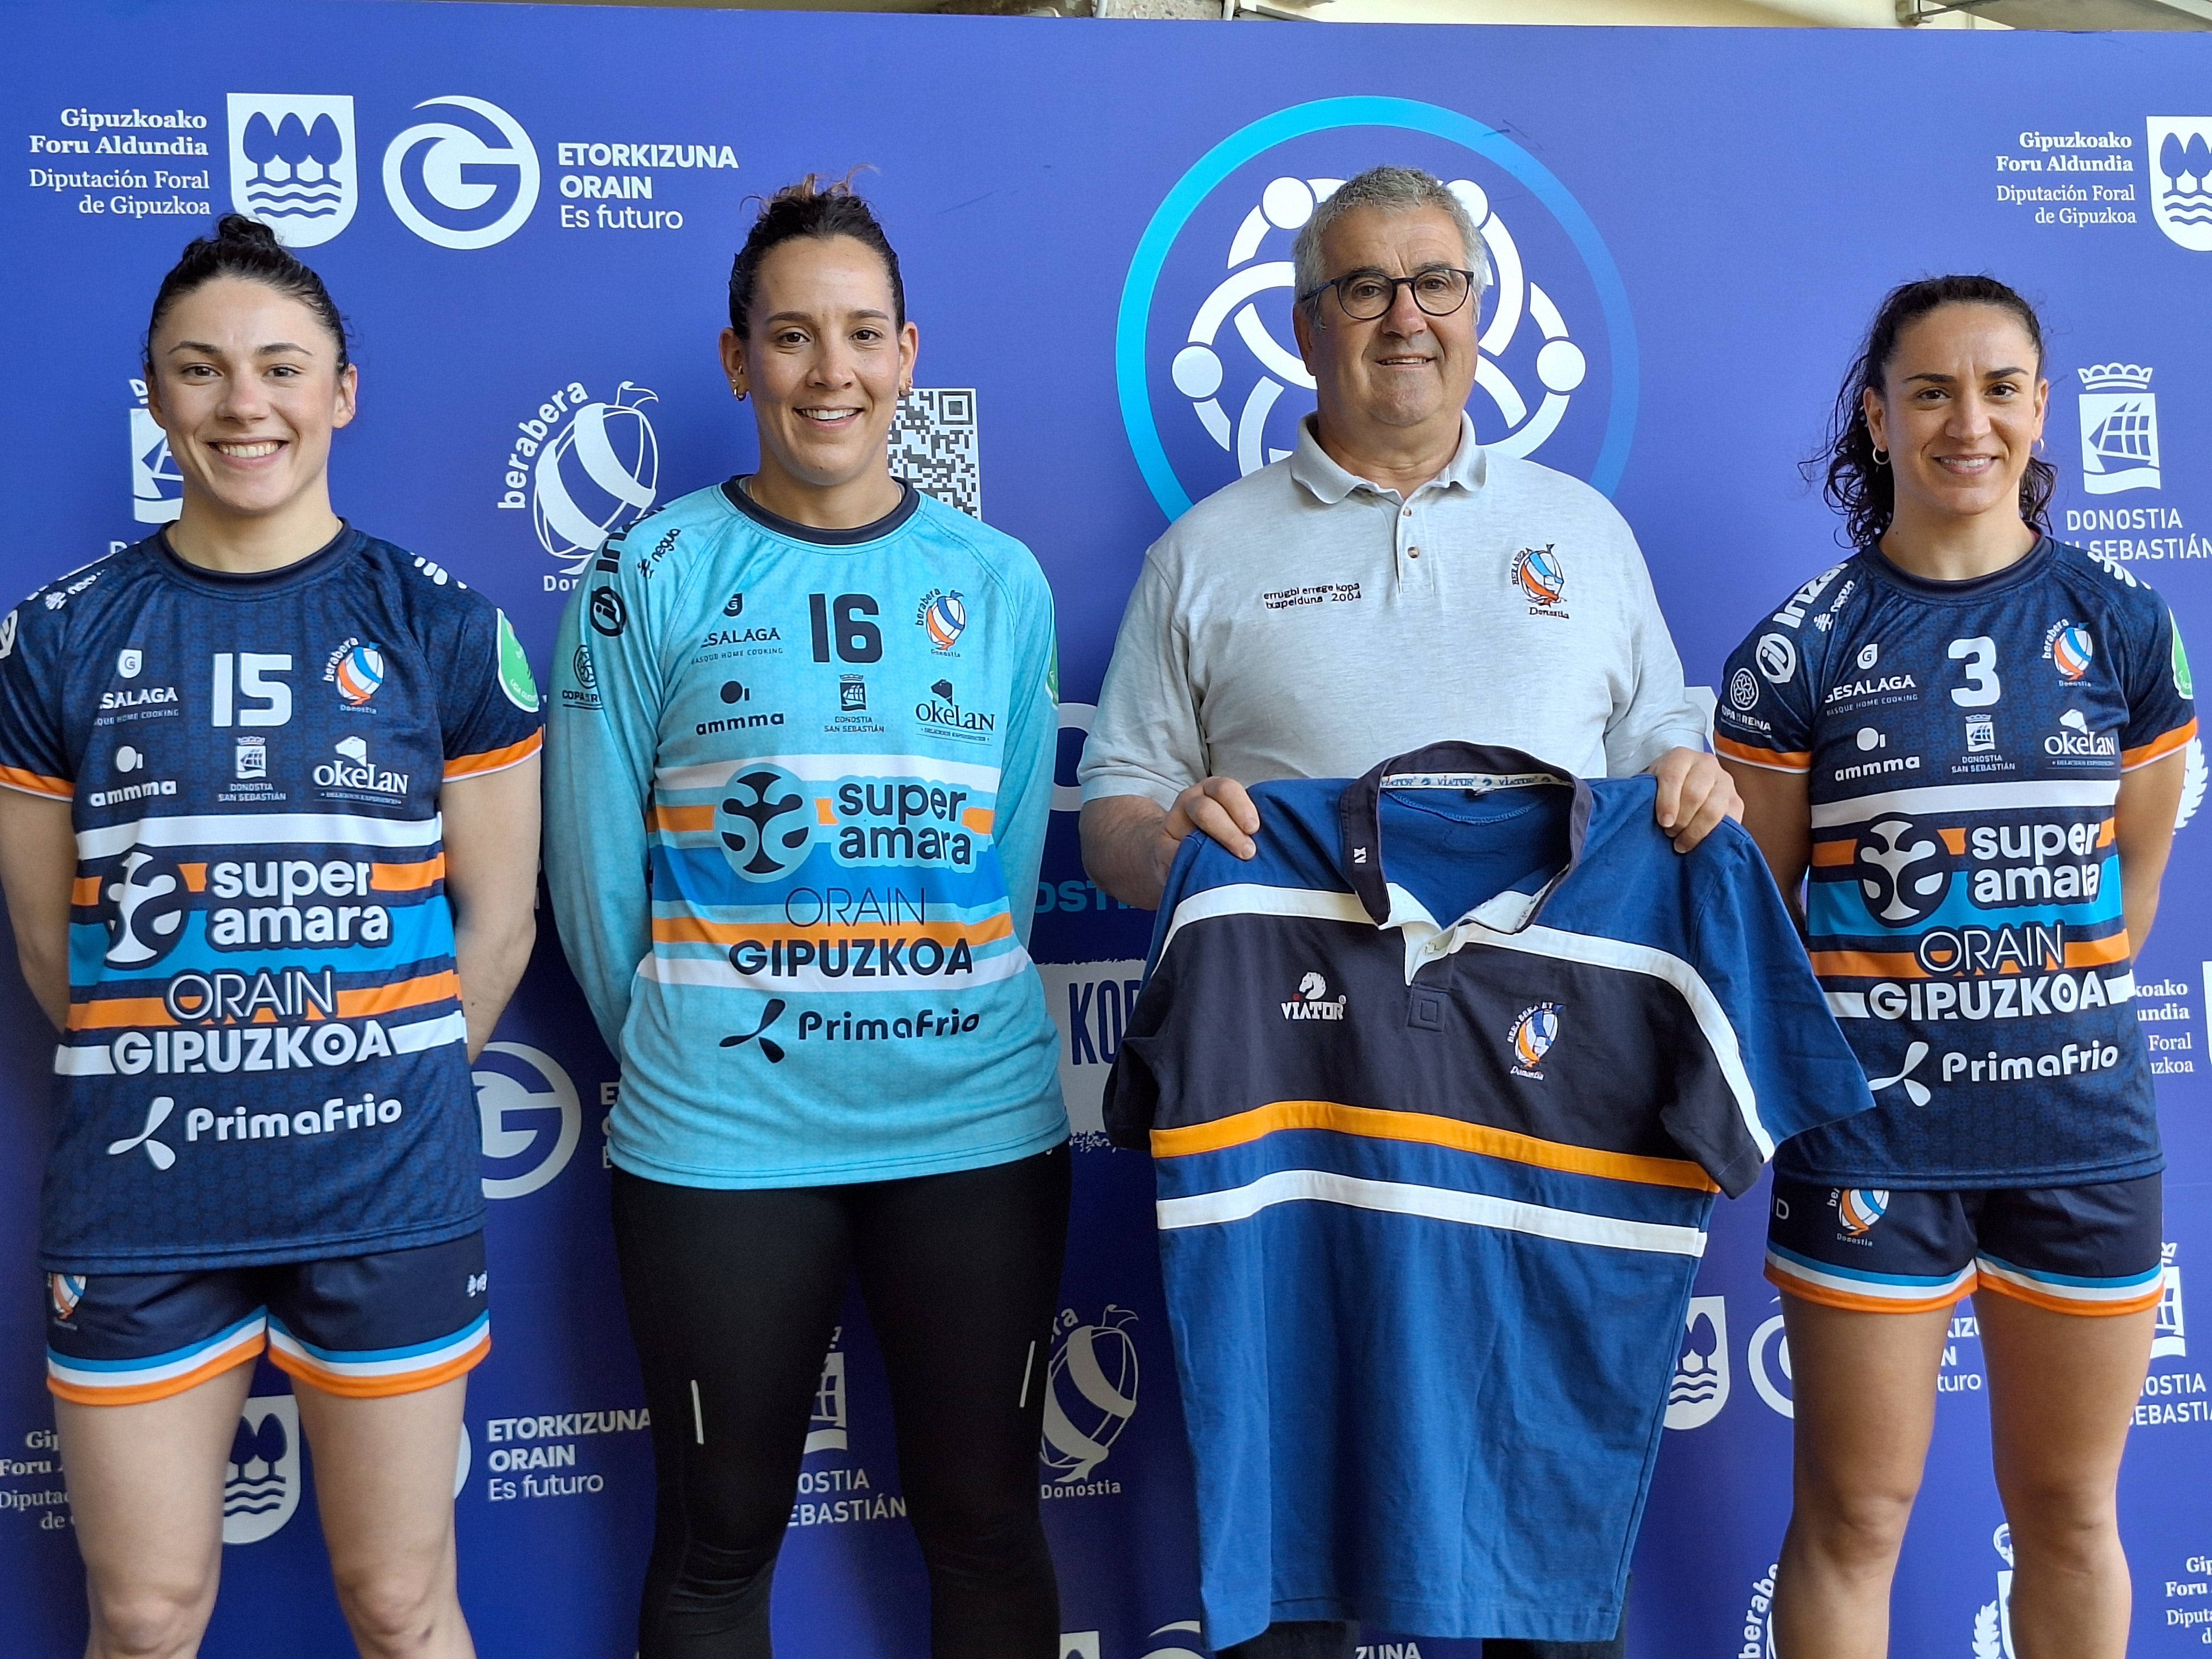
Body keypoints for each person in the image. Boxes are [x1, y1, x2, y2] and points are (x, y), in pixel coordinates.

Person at [1079, 164, 1739, 1658]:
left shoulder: (1585, 533)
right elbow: (1118, 813)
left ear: (1480, 311)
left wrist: (1696, 792)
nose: (1405, 317)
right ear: (1305, 325)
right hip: (1306, 1123)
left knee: (1542, 1558)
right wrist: (1177, 838)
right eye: (1365, 287)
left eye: (1436, 282)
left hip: (1549, 1129)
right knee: (1299, 1541)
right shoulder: (1204, 555)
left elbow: (1665, 767)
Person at [0, 216, 543, 1659]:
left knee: (399, 1601)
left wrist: (372, 1071)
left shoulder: (439, 624)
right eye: (202, 369)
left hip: (387, 1188)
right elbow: (58, 954)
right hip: (140, 1198)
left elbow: (498, 927)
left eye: (281, 367)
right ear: (157, 394)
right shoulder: (56, 635)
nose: (245, 404)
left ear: (341, 391)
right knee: (147, 1608)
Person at [543, 176, 1069, 1659]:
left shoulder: (998, 579)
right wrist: (703, 1041)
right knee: (716, 1540)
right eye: (790, 337)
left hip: (974, 1123)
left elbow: (1008, 865)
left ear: (909, 353)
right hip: (722, 1136)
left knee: (985, 1522)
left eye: (858, 336)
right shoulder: (646, 571)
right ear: (737, 361)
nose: (828, 372)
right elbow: (593, 889)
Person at [1713, 275, 2194, 1659]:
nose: (1965, 421)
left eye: (1998, 389)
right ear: (1876, 419)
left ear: (2042, 409)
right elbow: (1765, 918)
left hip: (2083, 1138)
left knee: (2069, 1510)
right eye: (1929, 391)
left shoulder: (2128, 630)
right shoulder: (1799, 648)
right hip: (1873, 1144)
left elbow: (2132, 891)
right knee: (1856, 1520)